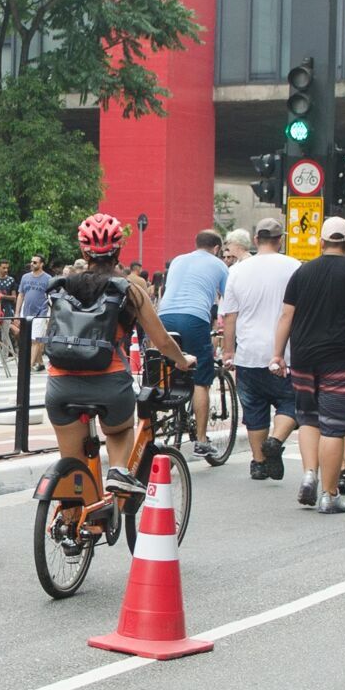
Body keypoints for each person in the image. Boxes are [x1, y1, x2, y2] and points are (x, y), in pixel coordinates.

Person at [42, 212, 194, 496]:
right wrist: (182, 361)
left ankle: (71, 523)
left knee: (72, 463)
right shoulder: (131, 289)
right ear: (119, 249)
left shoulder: (63, 286)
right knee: (119, 430)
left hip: (60, 384)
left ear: (83, 251)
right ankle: (119, 470)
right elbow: (161, 340)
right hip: (109, 383)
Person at [273, 217, 345, 513]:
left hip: (303, 356)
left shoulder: (302, 271)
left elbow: (286, 316)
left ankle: (310, 474)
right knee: (333, 427)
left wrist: (278, 354)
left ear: (321, 242)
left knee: (308, 418)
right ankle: (329, 495)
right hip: (338, 359)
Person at [217, 218, 298, 481]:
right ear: (280, 239)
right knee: (291, 402)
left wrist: (229, 352)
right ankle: (275, 440)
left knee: (254, 408)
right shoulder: (294, 267)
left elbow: (230, 315)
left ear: (255, 240)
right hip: (284, 353)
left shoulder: (238, 271)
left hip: (248, 352)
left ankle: (259, 463)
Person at [159, 230, 229, 459]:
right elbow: (228, 299)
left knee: (167, 366)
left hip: (165, 316)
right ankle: (200, 440)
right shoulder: (219, 266)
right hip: (194, 317)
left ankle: (168, 418)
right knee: (201, 379)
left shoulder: (179, 259)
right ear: (217, 248)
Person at [18, 253, 54, 371]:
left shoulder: (48, 279)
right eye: (31, 262)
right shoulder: (25, 277)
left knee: (35, 340)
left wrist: (51, 316)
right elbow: (21, 295)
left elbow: (51, 298)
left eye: (35, 262)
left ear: (42, 264)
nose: (32, 264)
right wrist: (17, 313)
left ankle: (28, 367)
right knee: (29, 339)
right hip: (26, 312)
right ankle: (40, 362)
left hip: (41, 313)